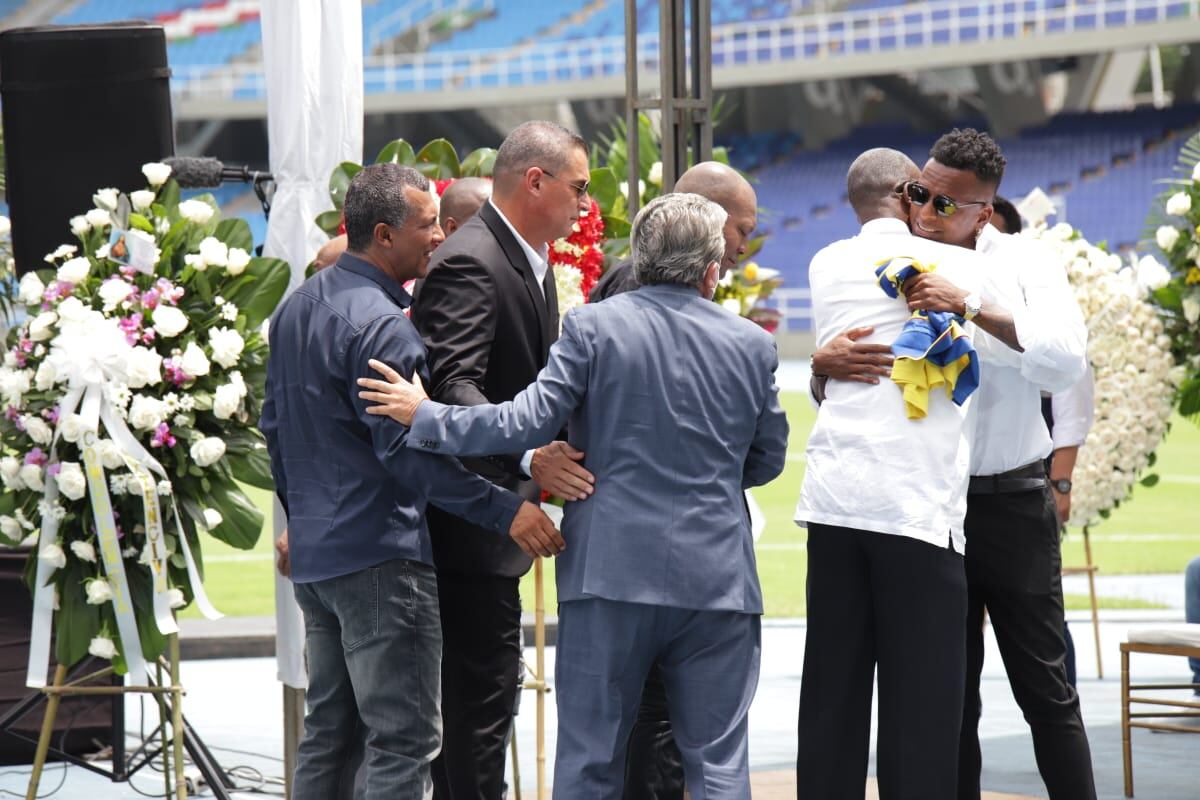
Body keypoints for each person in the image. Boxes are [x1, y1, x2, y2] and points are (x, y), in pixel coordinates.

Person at [358, 192, 789, 798]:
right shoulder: (752, 344)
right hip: (718, 578)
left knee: (590, 761)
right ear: (713, 270)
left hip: (609, 575)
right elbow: (768, 457)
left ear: (638, 259)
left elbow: (517, 423)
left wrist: (424, 414)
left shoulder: (593, 325)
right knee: (718, 766)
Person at [260, 163, 564, 799]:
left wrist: (300, 524)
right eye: (428, 225)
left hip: (319, 559)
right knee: (403, 741)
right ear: (383, 233)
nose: (440, 238)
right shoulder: (385, 325)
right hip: (382, 559)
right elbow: (407, 456)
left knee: (330, 735)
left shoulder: (295, 310)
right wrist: (501, 509)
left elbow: (275, 433)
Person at [818, 129, 1092, 799]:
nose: (924, 212)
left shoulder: (1024, 261)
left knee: (1045, 688)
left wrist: (969, 304)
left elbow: (1064, 361)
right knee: (945, 696)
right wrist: (820, 372)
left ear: (985, 213)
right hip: (928, 509)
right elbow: (858, 374)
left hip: (1010, 502)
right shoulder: (884, 262)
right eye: (918, 193)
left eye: (945, 204)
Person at [794, 147, 1009, 799]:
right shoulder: (961, 264)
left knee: (832, 694)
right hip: (915, 508)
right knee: (922, 707)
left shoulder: (824, 262)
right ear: (906, 192)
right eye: (926, 192)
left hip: (834, 502)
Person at [410, 120, 595, 800]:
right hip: (471, 527)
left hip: (494, 521)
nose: (583, 205)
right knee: (476, 713)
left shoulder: (522, 257)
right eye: (577, 188)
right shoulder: (471, 258)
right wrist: (527, 454)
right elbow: (453, 390)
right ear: (534, 181)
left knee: (483, 706)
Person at [587, 159, 757, 800]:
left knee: (627, 740)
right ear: (709, 222)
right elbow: (762, 453)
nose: (744, 245)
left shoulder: (617, 300)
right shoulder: (632, 298)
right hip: (688, 566)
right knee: (677, 742)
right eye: (741, 228)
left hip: (628, 559)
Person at [589, 161, 758, 301]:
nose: (744, 248)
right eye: (742, 231)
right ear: (705, 214)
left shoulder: (676, 283)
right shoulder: (639, 284)